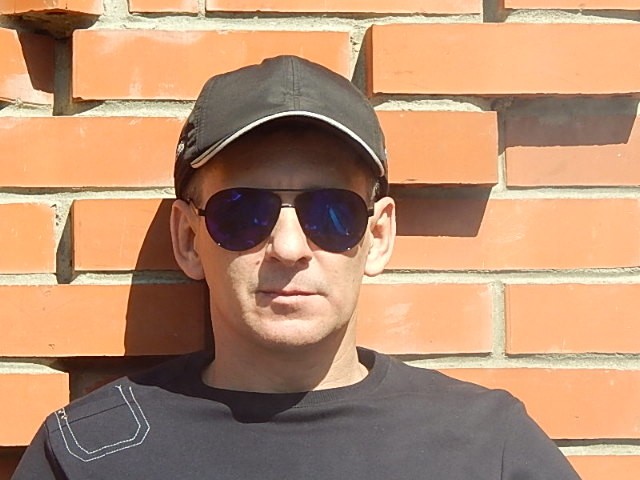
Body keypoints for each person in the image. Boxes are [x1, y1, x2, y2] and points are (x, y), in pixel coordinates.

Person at [13, 55, 581, 479]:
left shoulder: (488, 447)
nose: (288, 247)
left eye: (332, 213)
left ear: (378, 236)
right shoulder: (89, 456)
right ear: (188, 239)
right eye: (243, 213)